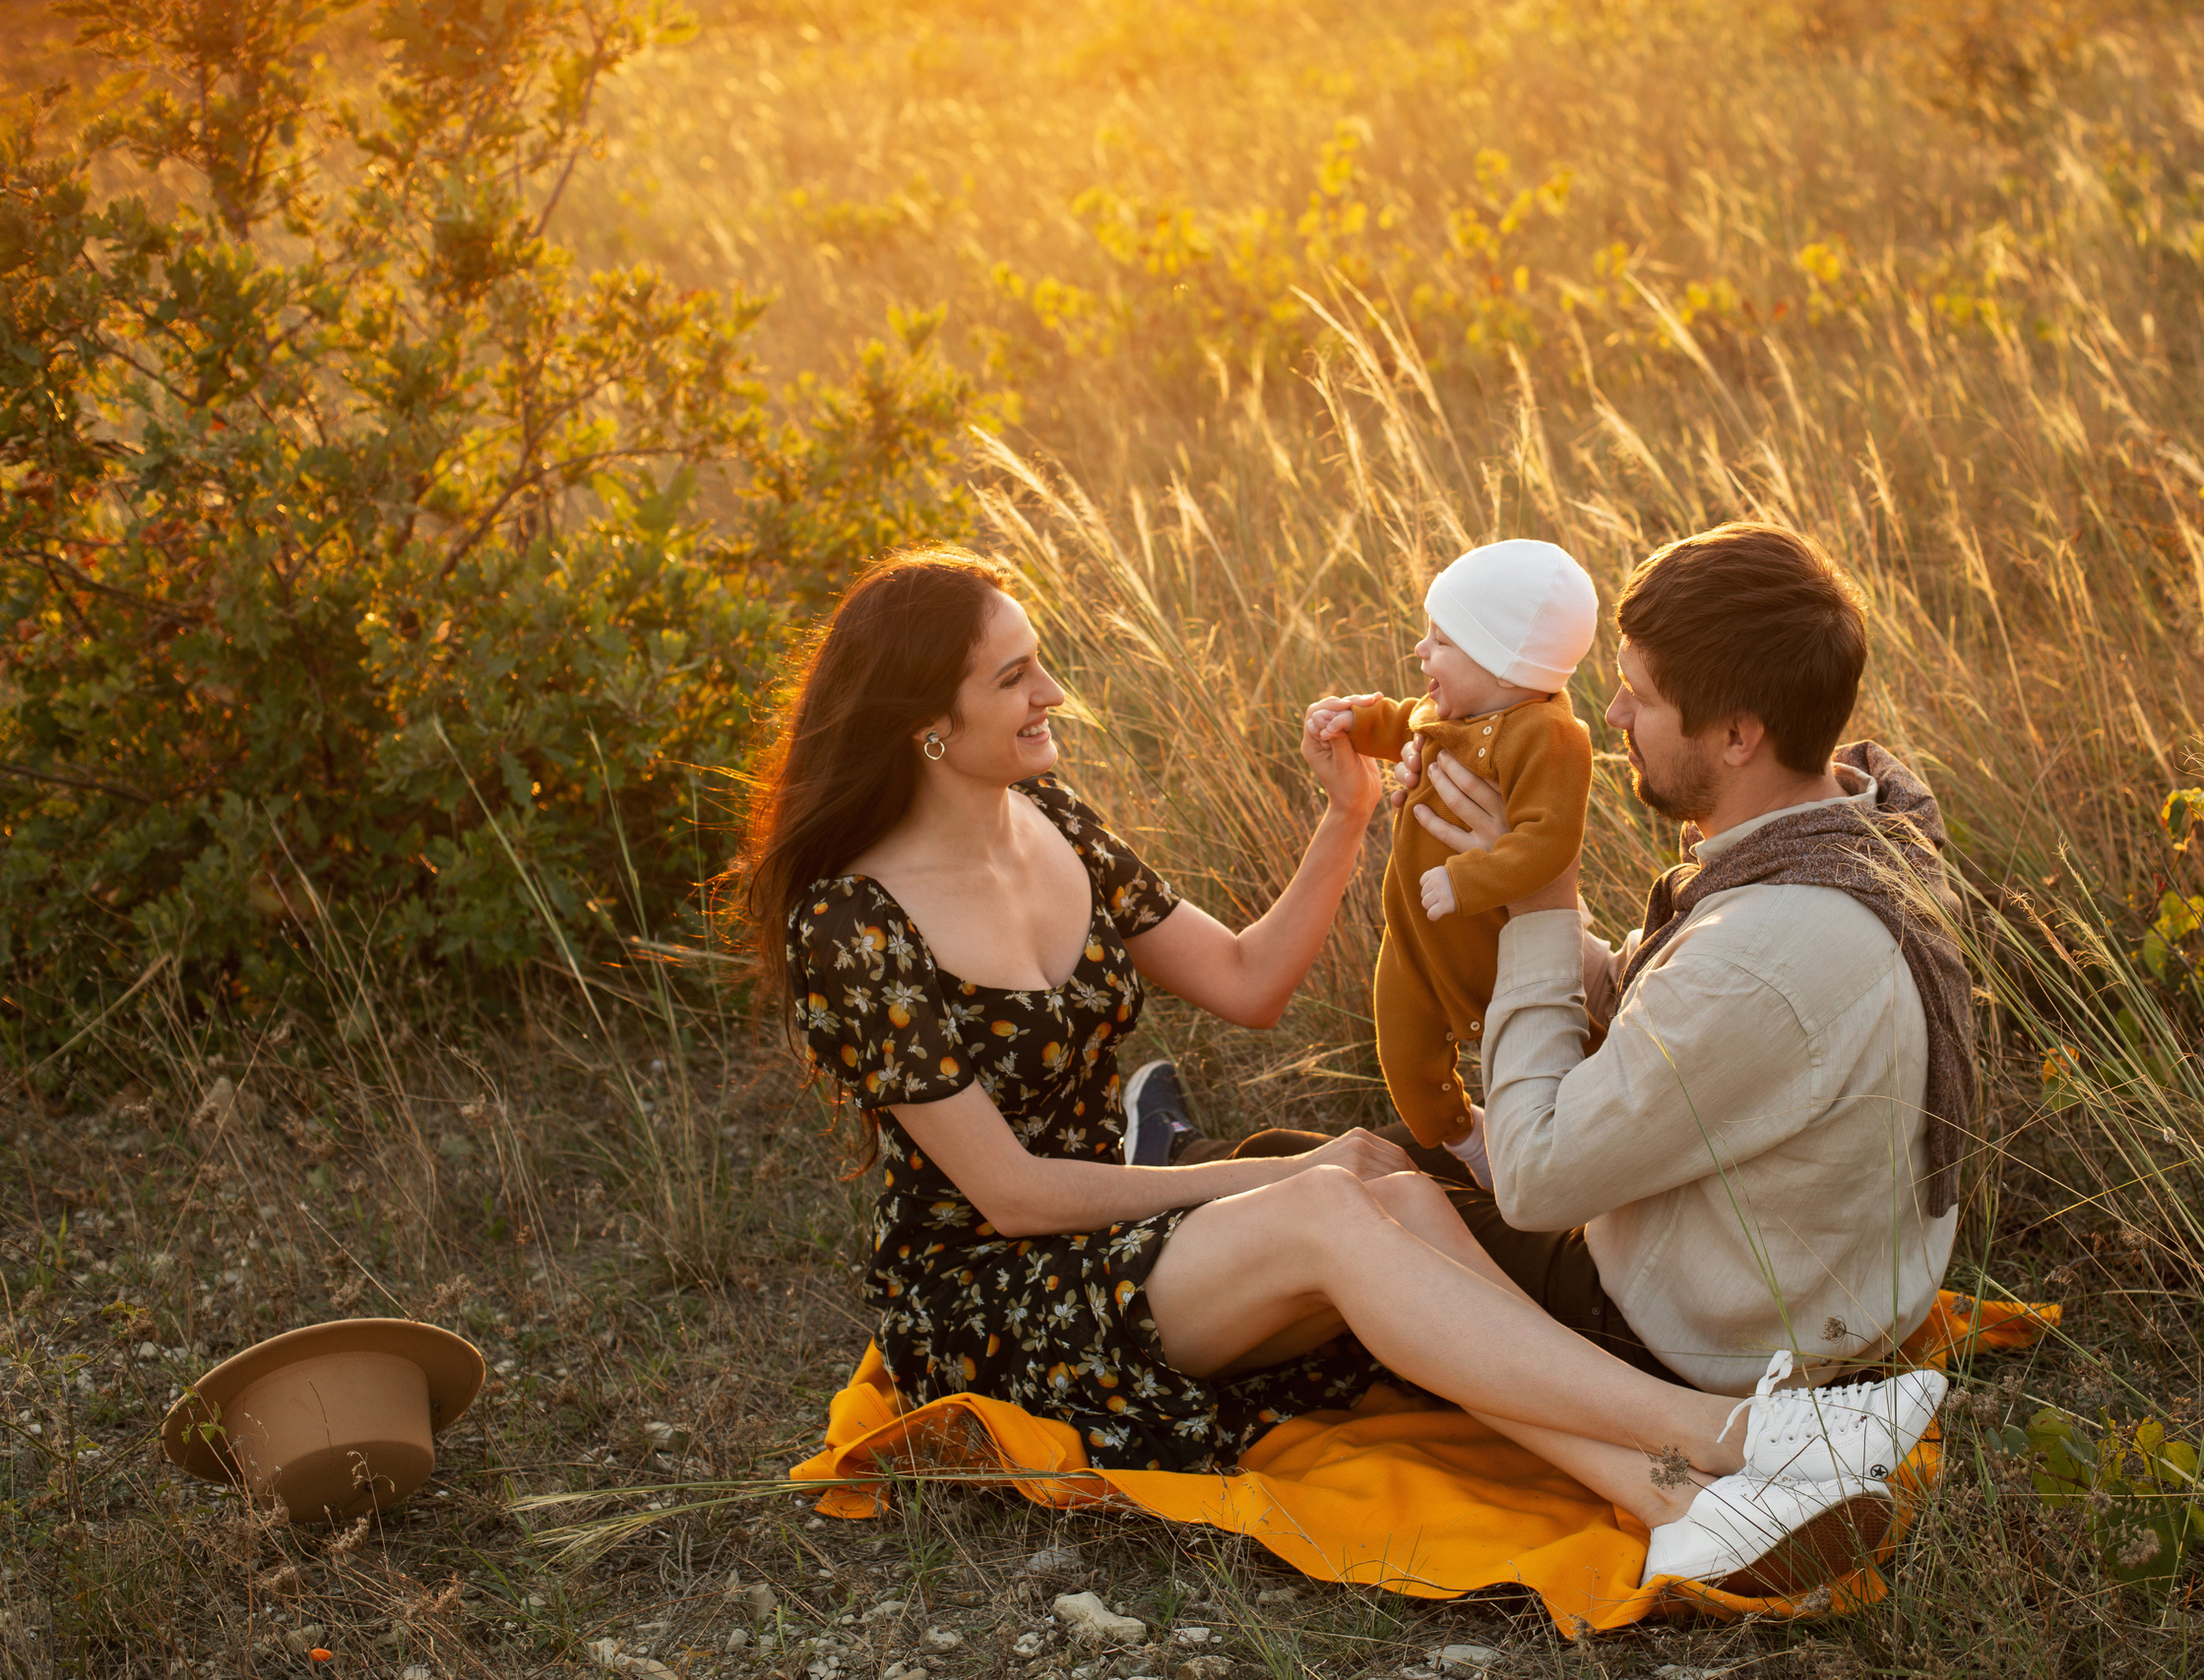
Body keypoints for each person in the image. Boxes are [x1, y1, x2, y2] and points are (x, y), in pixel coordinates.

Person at [745, 544, 1944, 1595]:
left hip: (1117, 1241)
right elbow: (1006, 1199)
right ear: (926, 724)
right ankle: (1742, 1436)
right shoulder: (851, 925)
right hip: (994, 1295)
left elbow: (1246, 982)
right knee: (1328, 1195)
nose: (1052, 691)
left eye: (1039, 658)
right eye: (1014, 677)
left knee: (1402, 1196)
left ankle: (1682, 1504)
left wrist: (1347, 814)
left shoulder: (1049, 817)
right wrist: (1259, 1179)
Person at [1144, 521, 1975, 1582]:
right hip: (1791, 1284)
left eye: (1638, 695)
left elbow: (1534, 1180)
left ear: (1736, 735)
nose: (1609, 713)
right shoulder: (1845, 843)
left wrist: (1533, 890)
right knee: (1338, 1166)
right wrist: (1498, 876)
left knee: (1318, 1192)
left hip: (1702, 1334)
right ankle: (1692, 1478)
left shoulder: (1767, 948)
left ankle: (1707, 1446)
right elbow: (1646, 1000)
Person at [1312, 538, 1597, 1167]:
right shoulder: (1457, 712)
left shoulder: (1548, 736)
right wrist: (1357, 723)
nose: (1420, 650)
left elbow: (1549, 842)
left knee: (1567, 1056)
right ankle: (1467, 1140)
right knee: (1405, 1056)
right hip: (1415, 937)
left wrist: (1469, 880)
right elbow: (1405, 722)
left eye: (1440, 640)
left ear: (1501, 663)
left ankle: (1565, 1155)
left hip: (1495, 942)